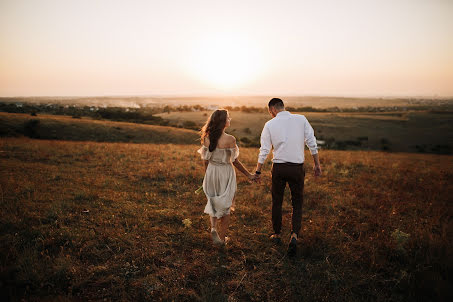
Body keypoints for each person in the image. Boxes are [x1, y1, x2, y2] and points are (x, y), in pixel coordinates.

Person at [253, 98, 322, 256]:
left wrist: (258, 171)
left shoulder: (270, 124)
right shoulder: (301, 119)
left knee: (277, 201)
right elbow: (311, 142)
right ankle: (294, 235)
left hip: (279, 168)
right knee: (297, 202)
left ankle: (277, 234)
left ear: (272, 110)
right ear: (282, 107)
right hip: (297, 168)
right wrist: (317, 164)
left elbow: (264, 150)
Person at [198, 109, 254, 245]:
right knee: (226, 205)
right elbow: (235, 161)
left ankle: (213, 228)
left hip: (211, 171)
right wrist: (249, 175)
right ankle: (222, 239)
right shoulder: (230, 139)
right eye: (228, 117)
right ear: (223, 122)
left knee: (213, 201)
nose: (230, 119)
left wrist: (208, 176)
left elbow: (205, 160)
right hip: (225, 172)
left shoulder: (207, 137)